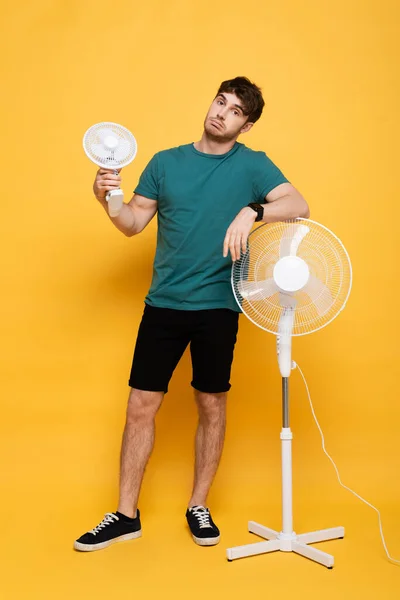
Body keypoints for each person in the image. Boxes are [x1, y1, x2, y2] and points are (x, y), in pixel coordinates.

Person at [74, 76, 310, 552]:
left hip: (219, 307)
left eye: (235, 111)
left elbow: (299, 204)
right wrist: (108, 200)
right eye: (220, 101)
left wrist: (252, 211)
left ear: (246, 125)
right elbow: (132, 223)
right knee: (141, 405)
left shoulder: (253, 167)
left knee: (211, 403)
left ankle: (197, 504)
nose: (222, 112)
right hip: (163, 305)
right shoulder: (165, 162)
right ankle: (125, 515)